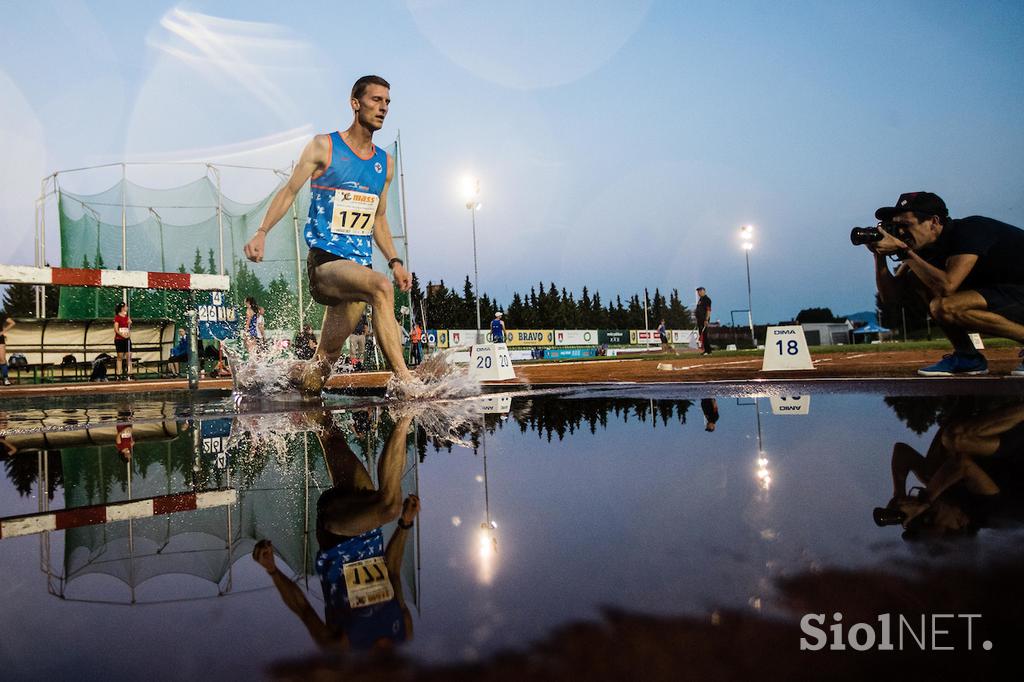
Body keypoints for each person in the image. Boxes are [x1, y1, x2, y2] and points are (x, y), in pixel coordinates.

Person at [243, 75, 419, 397]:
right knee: (380, 287)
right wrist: (262, 231)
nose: (383, 108)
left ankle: (272, 377)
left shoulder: (385, 163)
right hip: (326, 263)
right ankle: (405, 381)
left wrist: (394, 261)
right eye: (375, 100)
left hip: (357, 271)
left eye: (387, 102)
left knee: (320, 369)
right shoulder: (324, 146)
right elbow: (289, 190)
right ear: (355, 103)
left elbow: (378, 218)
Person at [251, 409, 419, 652]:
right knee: (327, 429)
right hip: (365, 522)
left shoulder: (343, 648)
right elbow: (391, 571)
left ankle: (408, 409)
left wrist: (273, 571)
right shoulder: (403, 628)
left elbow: (304, 610)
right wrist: (405, 524)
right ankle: (305, 384)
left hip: (336, 534)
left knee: (389, 507)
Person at [868, 192, 1024, 376]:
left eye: (905, 225)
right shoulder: (926, 249)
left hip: (1017, 291)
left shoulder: (971, 230)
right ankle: (967, 357)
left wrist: (904, 252)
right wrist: (878, 256)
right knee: (919, 279)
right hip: (1009, 296)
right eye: (895, 226)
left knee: (944, 305)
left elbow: (946, 287)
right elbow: (891, 298)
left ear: (934, 221)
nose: (900, 232)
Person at [876, 399, 1024, 539]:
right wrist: (926, 500)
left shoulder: (951, 499)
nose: (925, 513)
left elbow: (902, 452)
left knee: (932, 471)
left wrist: (899, 493)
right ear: (961, 523)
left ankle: (968, 395)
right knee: (955, 439)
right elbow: (962, 464)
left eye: (921, 519)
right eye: (930, 519)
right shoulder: (990, 514)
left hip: (1010, 446)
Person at [113, 302, 132, 380]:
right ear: (122, 308)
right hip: (119, 339)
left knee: (129, 356)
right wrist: (123, 335)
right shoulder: (117, 317)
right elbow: (116, 329)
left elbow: (128, 328)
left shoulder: (127, 317)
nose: (127, 307)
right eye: (126, 306)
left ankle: (130, 373)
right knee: (120, 357)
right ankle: (119, 374)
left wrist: (130, 324)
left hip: (127, 339)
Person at [695, 287, 712, 355]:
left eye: (699, 291)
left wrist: (706, 320)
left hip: (704, 320)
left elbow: (708, 310)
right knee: (702, 335)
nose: (698, 293)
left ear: (703, 291)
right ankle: (706, 350)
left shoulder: (707, 299)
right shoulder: (700, 300)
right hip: (699, 320)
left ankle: (708, 351)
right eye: (698, 292)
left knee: (704, 335)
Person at [0, 313, 14, 386]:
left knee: (2, 359)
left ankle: (5, 379)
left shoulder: (1, 315)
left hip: (0, 340)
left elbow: (12, 323)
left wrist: (2, 332)